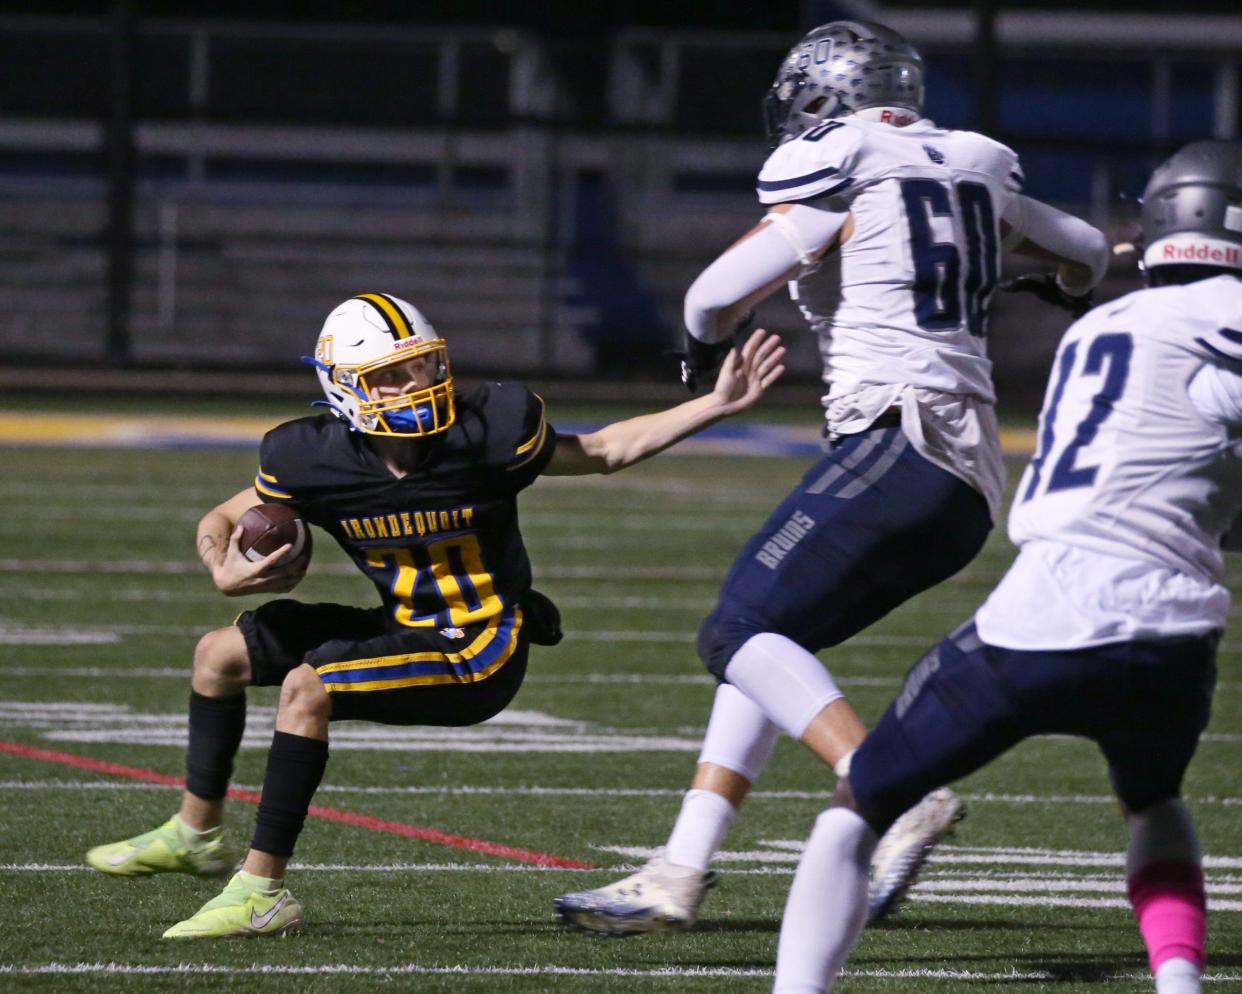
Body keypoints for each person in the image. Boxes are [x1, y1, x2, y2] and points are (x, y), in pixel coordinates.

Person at [554, 18, 1112, 934]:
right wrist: (1062, 285)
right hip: (966, 478)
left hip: (895, 435)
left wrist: (699, 356)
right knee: (765, 652)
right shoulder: (974, 158)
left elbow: (710, 296)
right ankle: (680, 869)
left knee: (736, 627)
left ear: (819, 97)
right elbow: (1085, 247)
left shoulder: (841, 158)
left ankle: (888, 791)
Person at [85, 291, 786, 939]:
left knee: (309, 687)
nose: (414, 386)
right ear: (344, 388)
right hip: (403, 624)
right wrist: (222, 565)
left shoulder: (488, 433)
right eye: (392, 376)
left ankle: (261, 892)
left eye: (421, 367)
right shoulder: (311, 457)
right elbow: (222, 516)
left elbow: (603, 449)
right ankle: (196, 833)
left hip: (481, 644)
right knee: (218, 654)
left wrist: (716, 404)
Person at [768, 139, 1242, 994]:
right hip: (1173, 630)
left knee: (860, 804)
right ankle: (1181, 987)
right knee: (1155, 797)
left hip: (1042, 612)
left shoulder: (1098, 328)